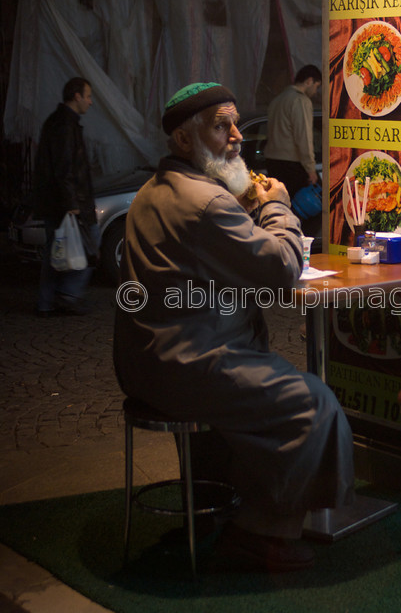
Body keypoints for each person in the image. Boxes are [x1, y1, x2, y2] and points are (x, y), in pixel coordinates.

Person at [113, 82, 354, 572]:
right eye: (221, 126)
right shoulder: (205, 203)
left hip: (148, 360)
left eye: (236, 123)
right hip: (190, 362)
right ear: (183, 140)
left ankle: (214, 509)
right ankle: (263, 533)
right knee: (314, 403)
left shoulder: (154, 191)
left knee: (271, 393)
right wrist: (277, 205)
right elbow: (282, 267)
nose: (237, 136)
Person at [33, 77, 100, 317]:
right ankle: (68, 295)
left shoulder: (61, 123)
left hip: (58, 202)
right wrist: (72, 204)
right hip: (68, 203)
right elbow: (64, 168)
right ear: (77, 96)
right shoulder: (64, 126)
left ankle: (48, 302)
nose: (91, 102)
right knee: (89, 245)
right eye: (88, 96)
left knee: (57, 251)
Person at [264, 64, 321, 199]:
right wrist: (311, 169)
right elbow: (304, 137)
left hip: (271, 162)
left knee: (279, 206)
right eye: (316, 86)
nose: (315, 92)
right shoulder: (300, 100)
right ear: (309, 81)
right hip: (291, 165)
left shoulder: (277, 99)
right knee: (300, 209)